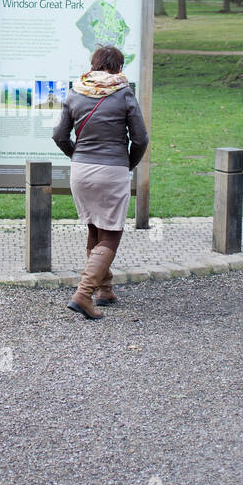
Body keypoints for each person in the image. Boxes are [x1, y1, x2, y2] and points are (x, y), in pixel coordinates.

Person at [52, 45, 150, 320]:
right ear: (119, 68)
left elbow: (59, 136)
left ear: (93, 65)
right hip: (113, 171)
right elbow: (141, 138)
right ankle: (83, 295)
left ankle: (104, 291)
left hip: (80, 171)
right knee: (111, 235)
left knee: (95, 229)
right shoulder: (124, 93)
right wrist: (128, 163)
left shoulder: (75, 92)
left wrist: (78, 156)